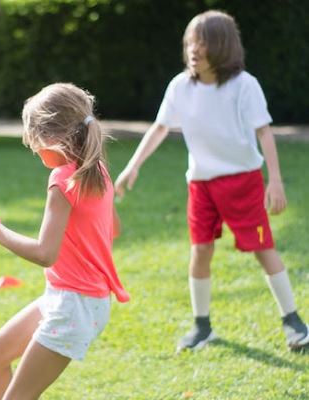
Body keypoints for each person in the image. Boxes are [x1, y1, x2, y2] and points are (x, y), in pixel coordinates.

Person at [115, 10, 308, 353]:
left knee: (263, 250)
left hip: (243, 182)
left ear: (222, 47)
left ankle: (294, 322)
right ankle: (202, 328)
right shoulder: (179, 86)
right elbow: (160, 127)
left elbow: (264, 132)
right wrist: (133, 167)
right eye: (190, 41)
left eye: (202, 42)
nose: (193, 49)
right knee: (200, 249)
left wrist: (274, 181)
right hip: (201, 185)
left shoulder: (244, 85)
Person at [0, 82, 130, 400]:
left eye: (31, 139)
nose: (31, 148)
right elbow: (113, 228)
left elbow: (46, 254)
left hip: (75, 306)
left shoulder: (62, 180)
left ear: (50, 138)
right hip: (70, 297)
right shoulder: (96, 170)